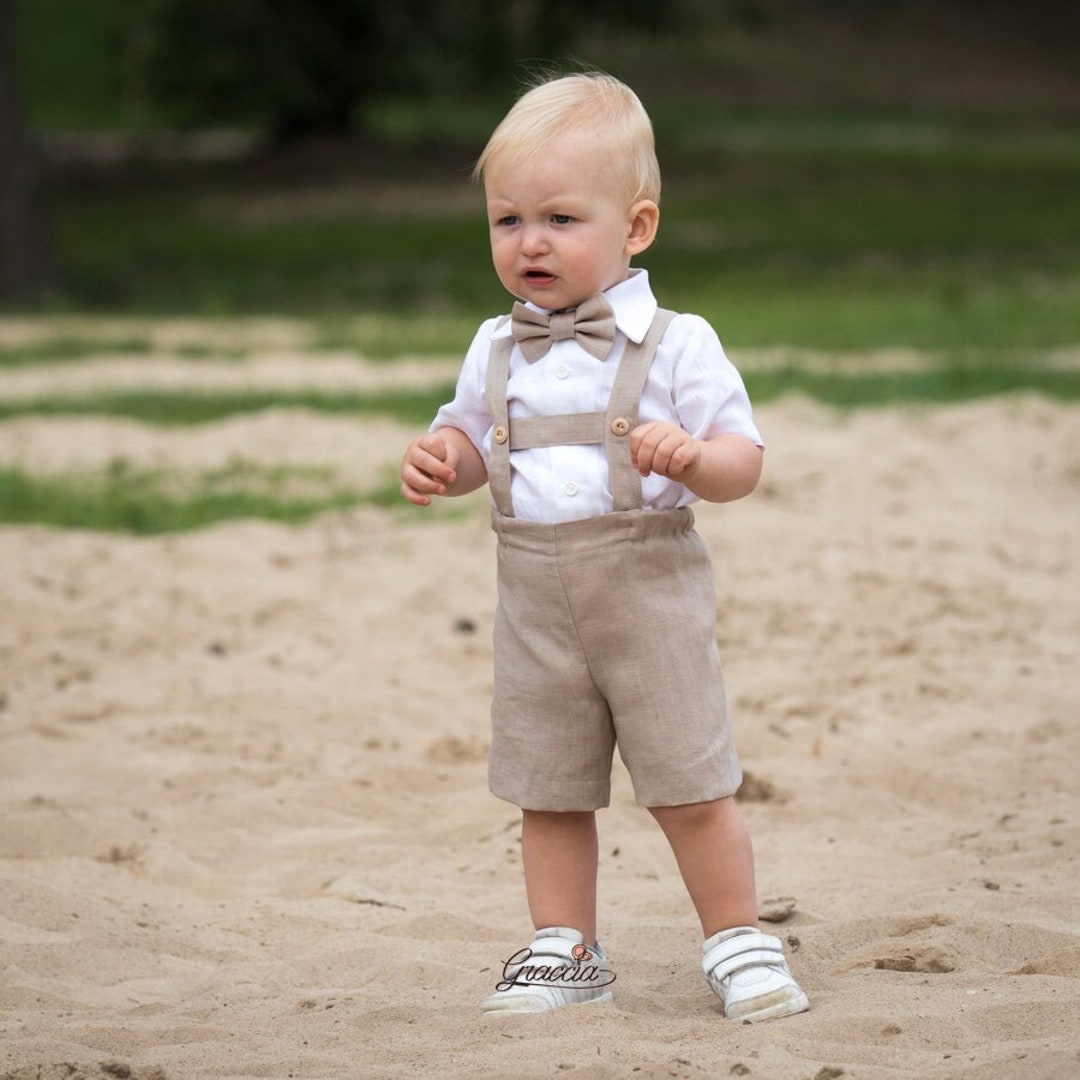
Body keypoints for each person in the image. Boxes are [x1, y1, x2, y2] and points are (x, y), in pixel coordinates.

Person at [399, 71, 809, 1024]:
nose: (529, 241)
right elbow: (471, 436)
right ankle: (565, 945)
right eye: (507, 220)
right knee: (549, 785)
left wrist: (696, 458)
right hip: (533, 600)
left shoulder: (676, 344)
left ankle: (737, 936)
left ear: (637, 228)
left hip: (648, 593)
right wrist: (442, 462)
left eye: (559, 218)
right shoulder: (493, 347)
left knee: (688, 777)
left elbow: (744, 460)